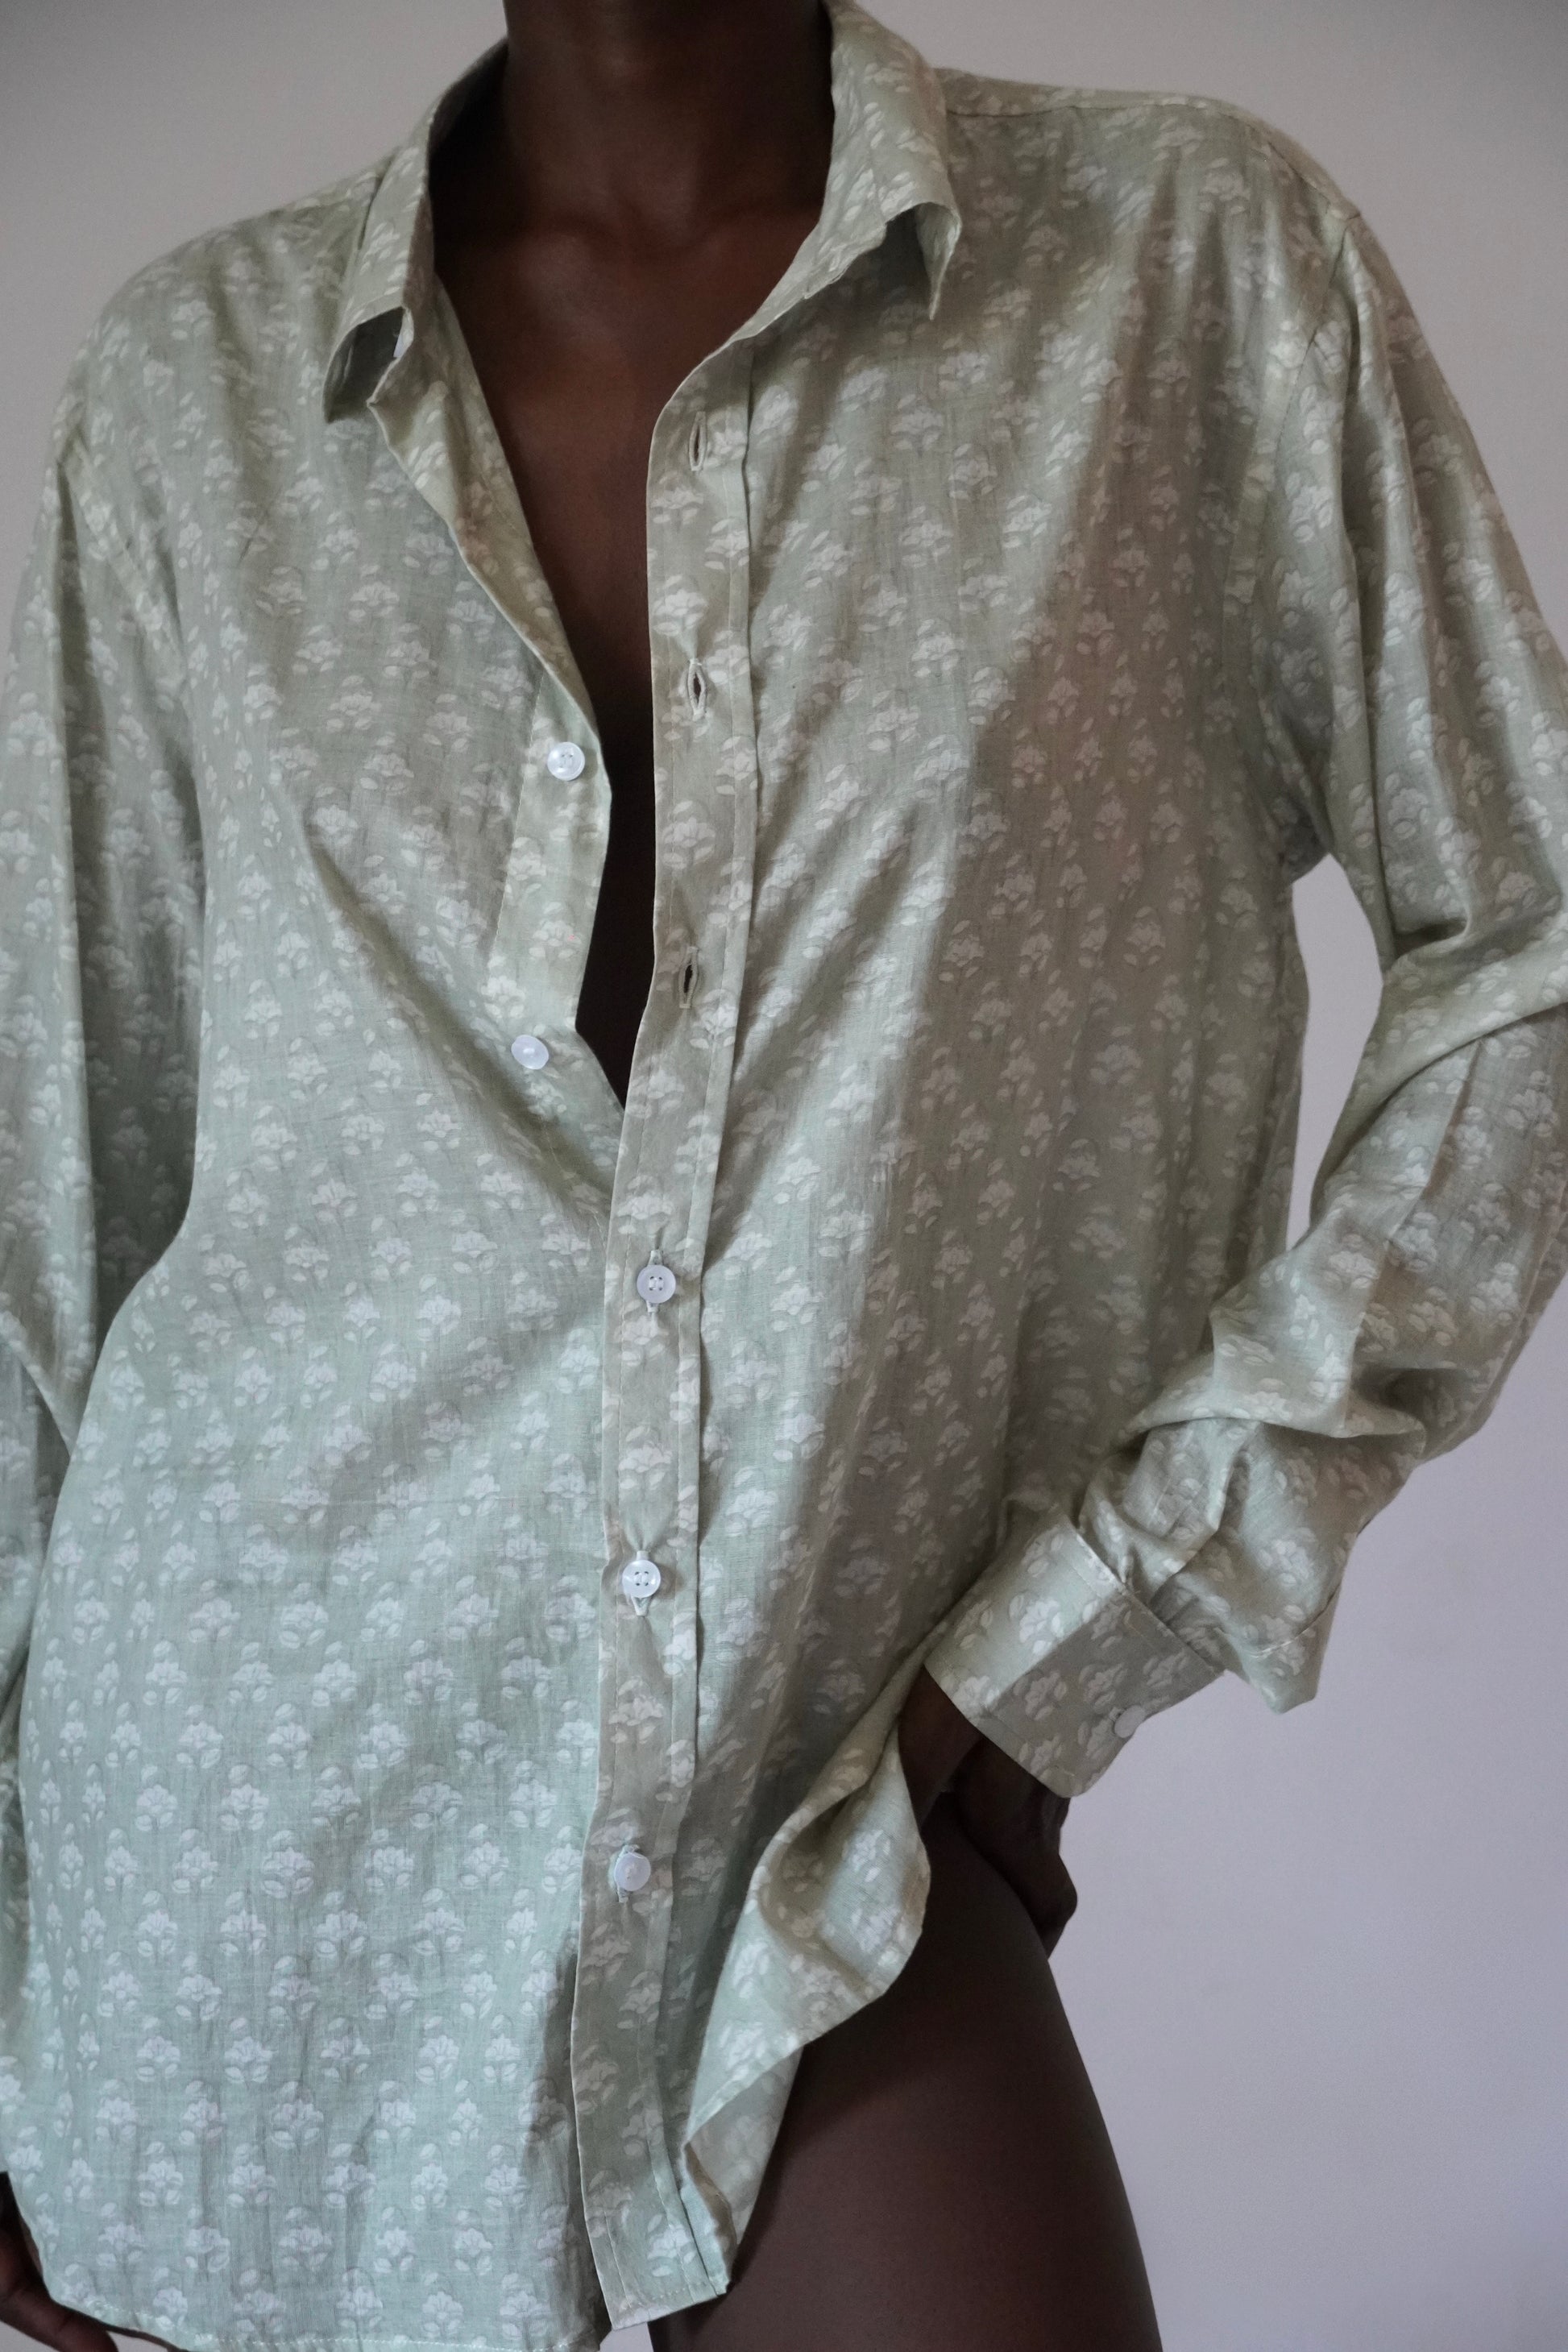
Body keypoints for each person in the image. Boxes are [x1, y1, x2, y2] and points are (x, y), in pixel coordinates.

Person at [2, 0, 1566, 2346]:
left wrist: (1121, 1594)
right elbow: (54, 1195)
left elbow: (1529, 943)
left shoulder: (1183, 272)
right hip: (262, 1833)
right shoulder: (193, 386)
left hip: (832, 1797)